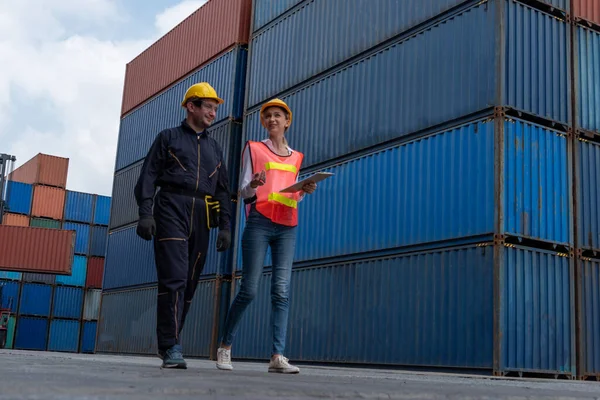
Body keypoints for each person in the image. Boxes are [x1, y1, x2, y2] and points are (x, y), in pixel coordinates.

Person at [134, 82, 232, 369]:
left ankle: (171, 340)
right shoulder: (168, 138)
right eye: (209, 107)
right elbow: (148, 177)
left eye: (215, 108)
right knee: (174, 279)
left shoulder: (214, 148)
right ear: (191, 106)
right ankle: (171, 346)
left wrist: (225, 225)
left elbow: (223, 190)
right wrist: (145, 213)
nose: (213, 113)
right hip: (171, 209)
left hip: (202, 215)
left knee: (189, 283)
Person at [215, 98, 317, 374]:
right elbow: (243, 192)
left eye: (278, 115)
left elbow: (290, 193)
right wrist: (253, 185)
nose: (272, 119)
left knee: (281, 292)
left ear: (287, 121)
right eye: (268, 116)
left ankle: (277, 356)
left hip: (288, 225)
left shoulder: (297, 157)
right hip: (259, 222)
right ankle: (225, 346)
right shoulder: (254, 149)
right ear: (263, 122)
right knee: (249, 289)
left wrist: (303, 191)